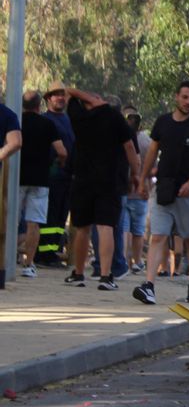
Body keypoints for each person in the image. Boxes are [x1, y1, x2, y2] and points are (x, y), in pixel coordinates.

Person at [134, 81, 189, 305]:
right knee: (157, 236)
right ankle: (149, 286)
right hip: (164, 190)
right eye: (185, 97)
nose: (188, 102)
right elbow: (152, 151)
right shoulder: (162, 122)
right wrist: (142, 178)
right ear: (176, 97)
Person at [63, 88, 138, 292]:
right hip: (110, 180)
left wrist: (83, 97)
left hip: (82, 179)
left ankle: (78, 273)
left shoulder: (79, 117)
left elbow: (68, 91)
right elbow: (130, 147)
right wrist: (136, 174)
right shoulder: (113, 116)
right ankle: (106, 276)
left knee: (82, 228)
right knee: (106, 227)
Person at [18, 91, 66, 277]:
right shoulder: (48, 124)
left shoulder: (17, 122)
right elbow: (62, 151)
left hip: (17, 178)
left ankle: (4, 260)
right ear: (40, 105)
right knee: (33, 223)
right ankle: (29, 264)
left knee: (9, 221)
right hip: (40, 180)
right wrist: (57, 164)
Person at [35, 82, 74, 268]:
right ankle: (43, 254)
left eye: (62, 94)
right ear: (47, 99)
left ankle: (53, 251)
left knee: (60, 217)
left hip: (69, 176)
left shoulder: (69, 120)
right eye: (55, 95)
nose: (60, 98)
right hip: (52, 174)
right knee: (49, 216)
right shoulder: (45, 120)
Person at [123, 106, 151, 274]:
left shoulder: (119, 136)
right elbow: (153, 167)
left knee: (124, 229)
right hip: (141, 190)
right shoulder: (147, 142)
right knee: (138, 230)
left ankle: (124, 259)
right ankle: (137, 261)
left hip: (124, 189)